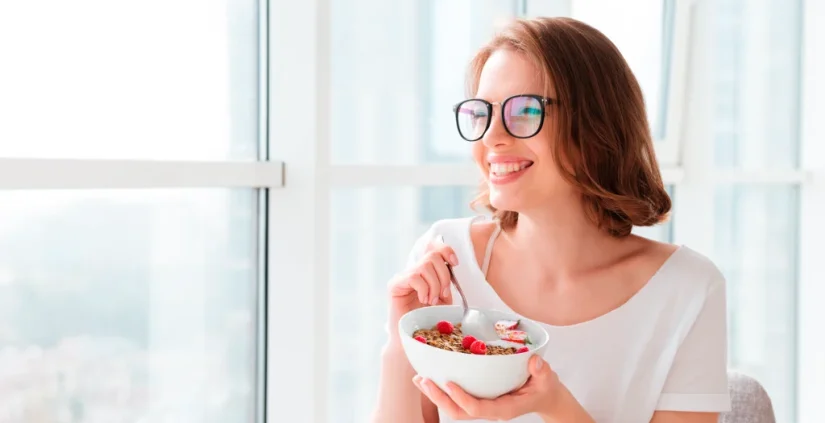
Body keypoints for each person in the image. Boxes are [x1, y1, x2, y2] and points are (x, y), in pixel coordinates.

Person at [372, 16, 730, 423]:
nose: (491, 136)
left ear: (597, 127)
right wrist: (401, 342)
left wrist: (553, 404)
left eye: (523, 110)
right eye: (481, 113)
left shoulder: (686, 288)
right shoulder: (448, 263)